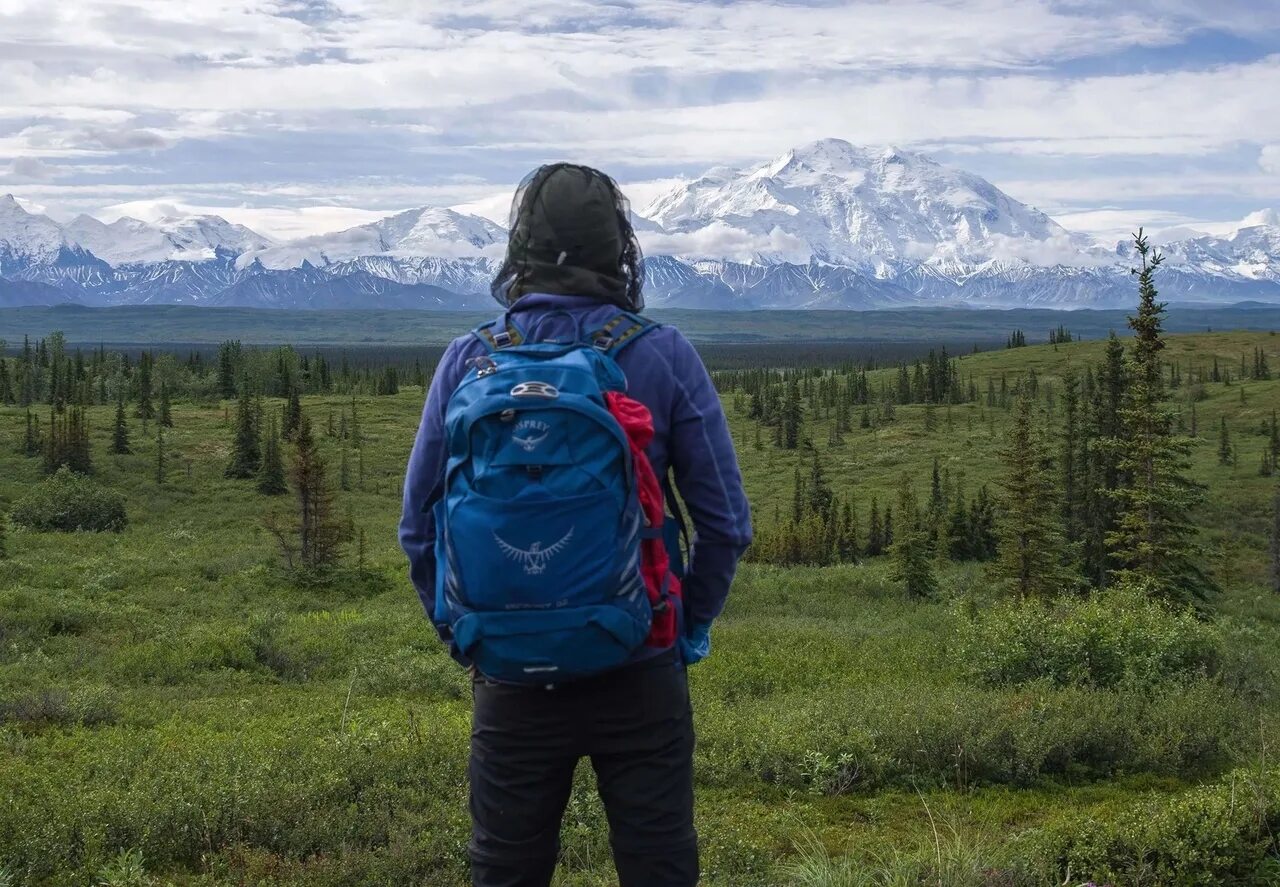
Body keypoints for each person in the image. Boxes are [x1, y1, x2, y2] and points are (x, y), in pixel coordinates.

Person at [399, 162, 752, 887]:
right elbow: (726, 525)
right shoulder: (661, 351)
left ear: (519, 246)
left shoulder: (470, 359)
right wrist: (683, 628)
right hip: (640, 662)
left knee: (505, 869)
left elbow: (417, 525)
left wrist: (466, 630)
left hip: (509, 674)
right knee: (658, 867)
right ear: (617, 245)